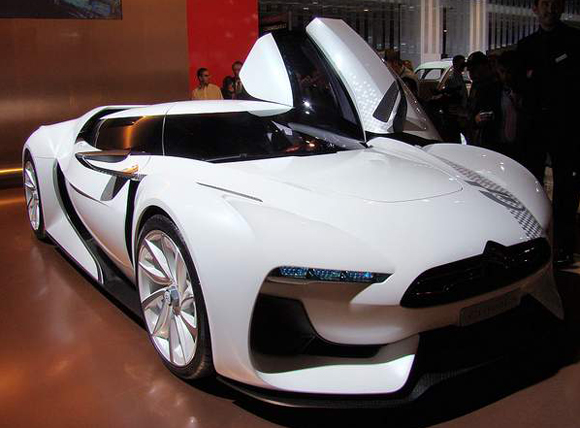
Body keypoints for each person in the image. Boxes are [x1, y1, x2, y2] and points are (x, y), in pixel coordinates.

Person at [517, 0, 580, 267]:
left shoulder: (575, 41)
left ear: (562, 7)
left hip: (567, 126)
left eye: (555, 4)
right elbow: (519, 86)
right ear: (535, 8)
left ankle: (564, 246)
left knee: (566, 187)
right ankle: (534, 244)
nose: (550, 9)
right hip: (534, 126)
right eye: (545, 4)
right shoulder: (526, 46)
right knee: (532, 185)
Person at [465, 51, 502, 149]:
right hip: (475, 135)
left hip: (489, 137)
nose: (471, 73)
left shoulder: (495, 85)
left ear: (484, 66)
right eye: (469, 70)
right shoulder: (476, 84)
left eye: (474, 69)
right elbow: (472, 106)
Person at [495, 50, 524, 160]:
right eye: (502, 72)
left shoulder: (526, 92)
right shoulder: (494, 91)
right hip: (499, 146)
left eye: (510, 72)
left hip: (520, 147)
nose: (506, 76)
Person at [438, 55, 469, 142]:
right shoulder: (452, 79)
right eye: (461, 64)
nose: (463, 66)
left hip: (460, 112)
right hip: (455, 114)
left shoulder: (459, 77)